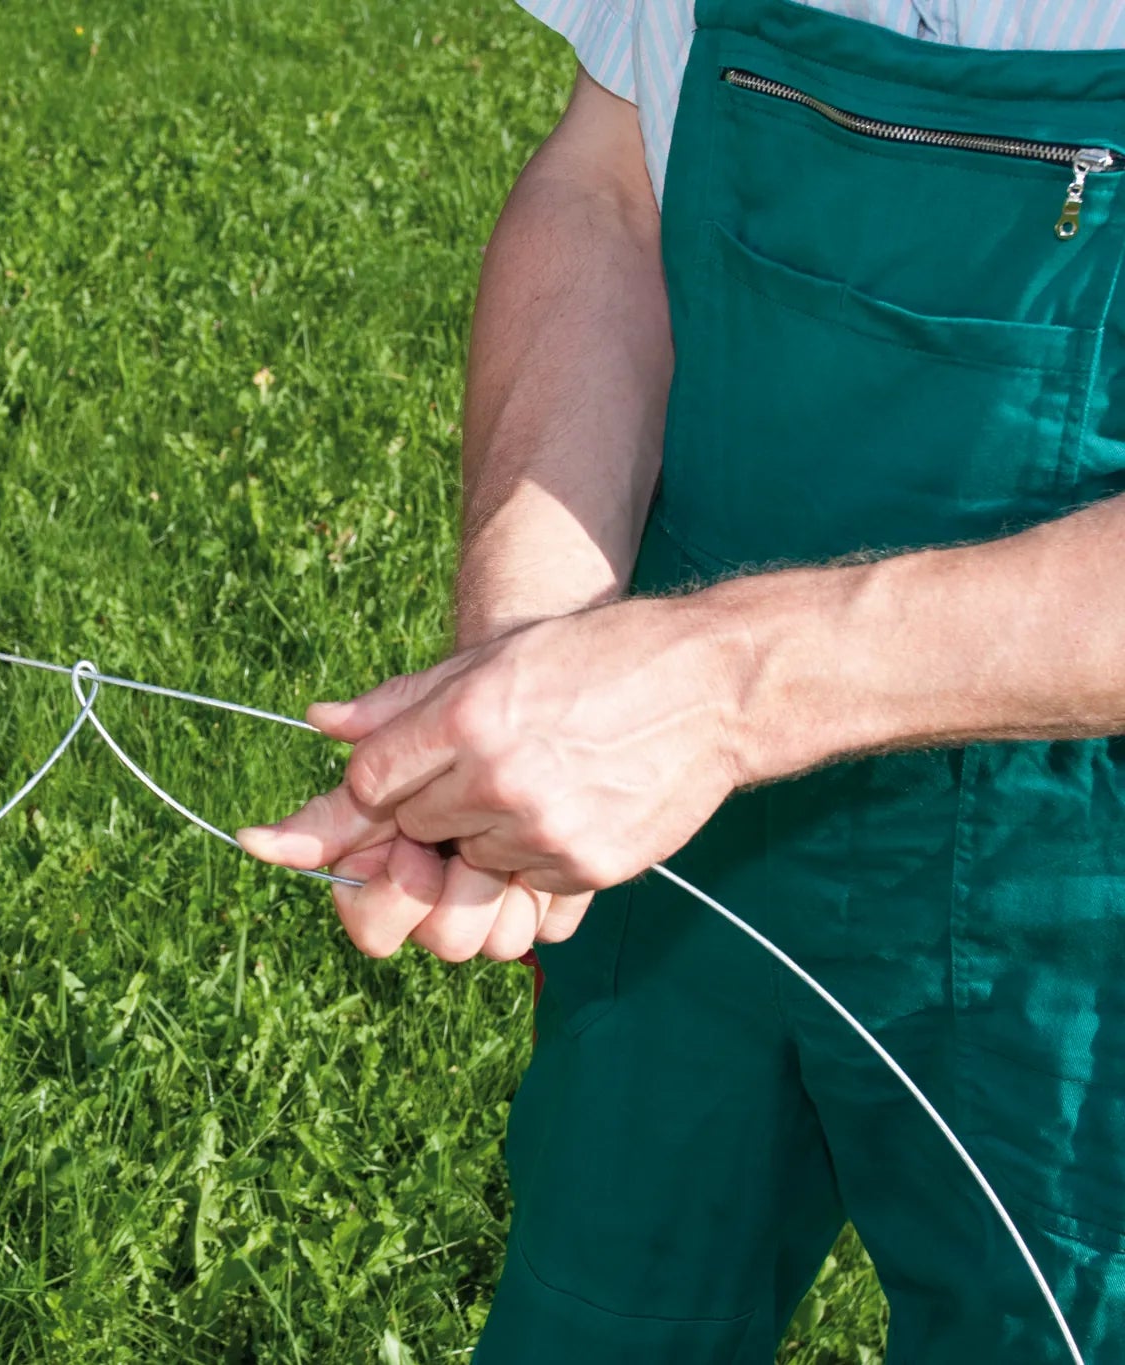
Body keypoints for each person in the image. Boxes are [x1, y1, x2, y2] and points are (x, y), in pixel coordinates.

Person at [235, 1, 1125, 1360]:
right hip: (669, 815)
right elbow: (608, 188)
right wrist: (529, 651)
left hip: (1079, 880)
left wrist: (720, 692)